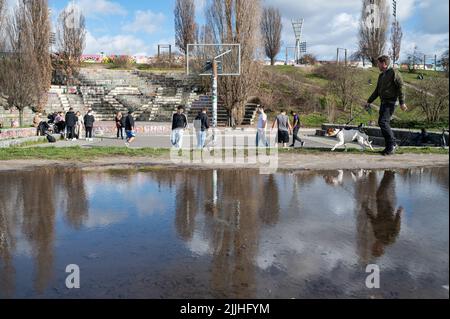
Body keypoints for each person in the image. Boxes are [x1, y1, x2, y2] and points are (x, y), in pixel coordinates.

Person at [366, 55, 408, 156]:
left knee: (383, 122)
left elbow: (401, 86)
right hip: (383, 102)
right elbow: (377, 91)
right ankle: (389, 146)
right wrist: (369, 101)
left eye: (379, 63)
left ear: (384, 64)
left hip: (391, 102)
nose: (377, 65)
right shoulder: (381, 76)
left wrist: (402, 102)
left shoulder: (394, 72)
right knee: (382, 123)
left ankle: (392, 145)